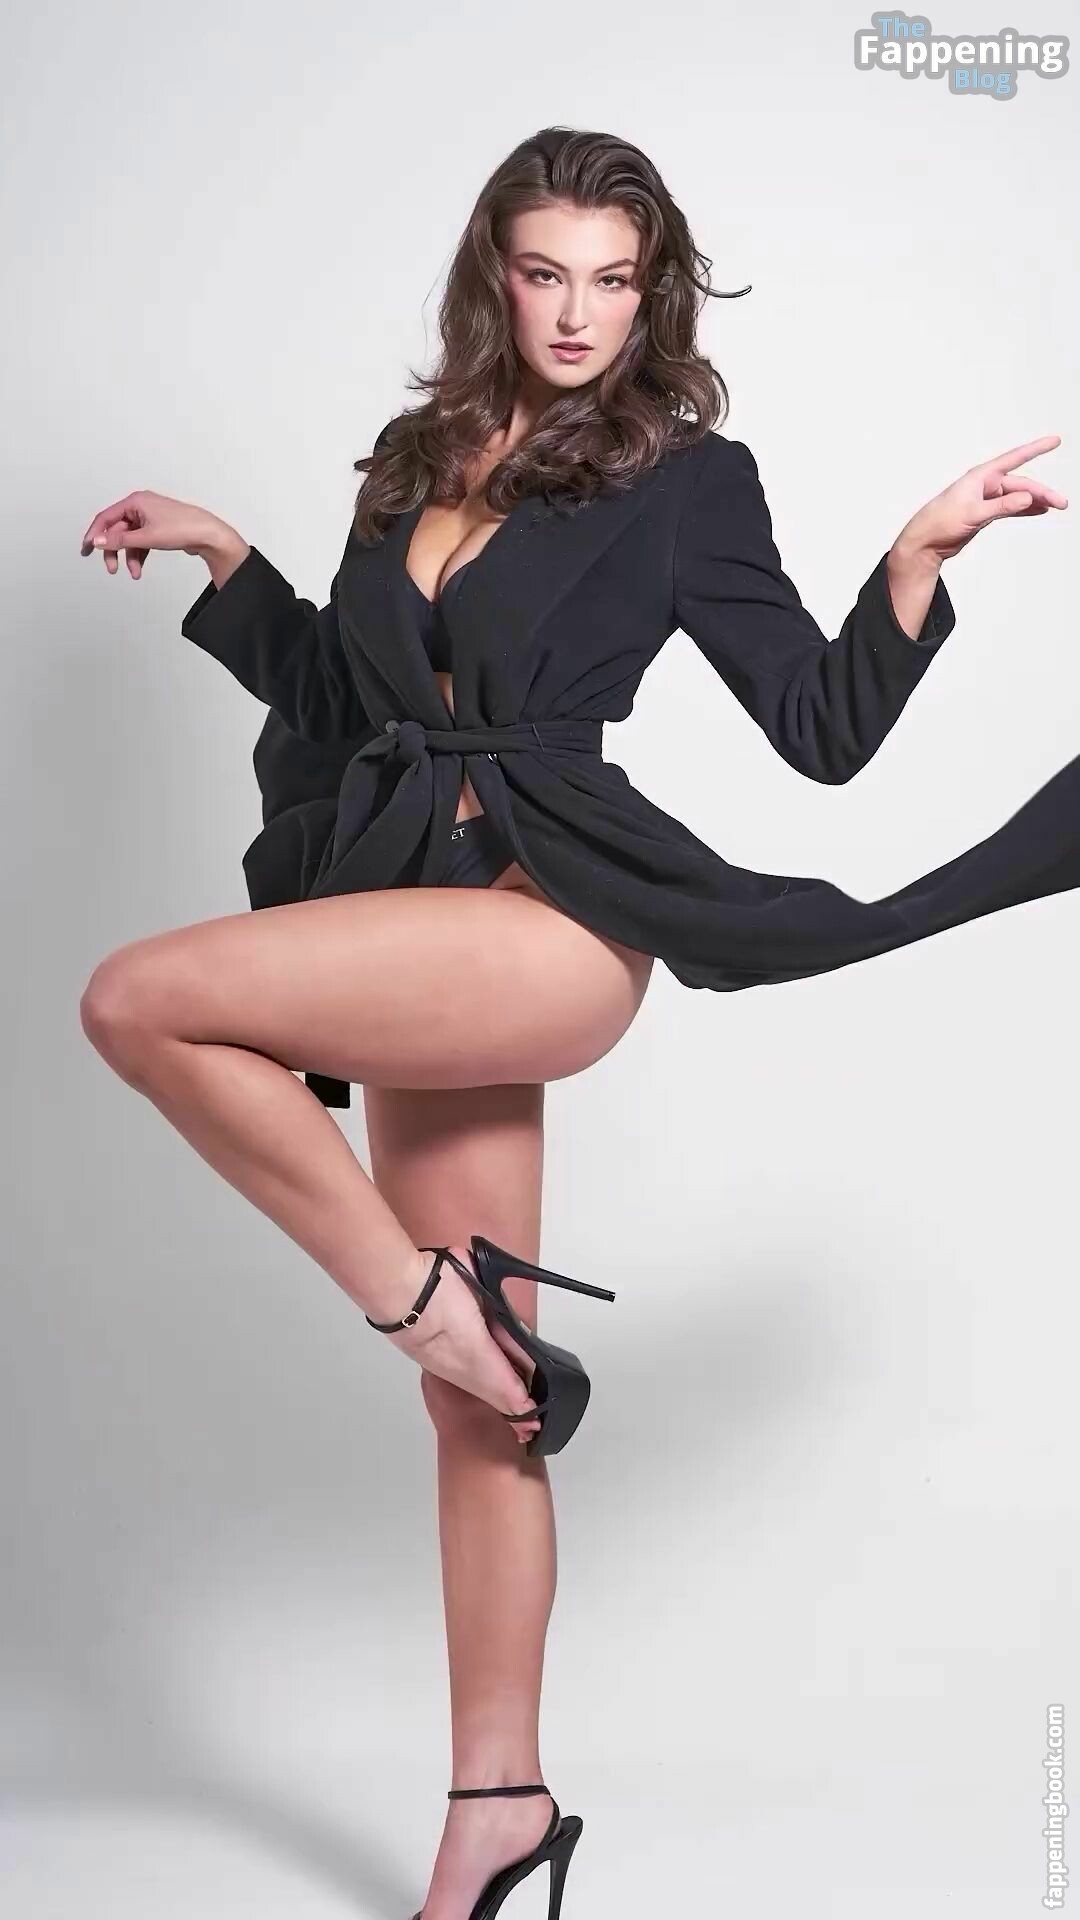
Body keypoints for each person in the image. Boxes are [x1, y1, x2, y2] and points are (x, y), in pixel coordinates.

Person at [77, 125, 1070, 1920]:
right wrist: (228, 562)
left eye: (614, 281)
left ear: (651, 293)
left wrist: (918, 559)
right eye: (547, 273)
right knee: (483, 1417)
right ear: (496, 275)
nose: (577, 314)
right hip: (411, 897)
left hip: (551, 922)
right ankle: (500, 1805)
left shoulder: (685, 481)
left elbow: (820, 727)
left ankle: (427, 1309)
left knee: (137, 996)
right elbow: (352, 704)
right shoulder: (414, 460)